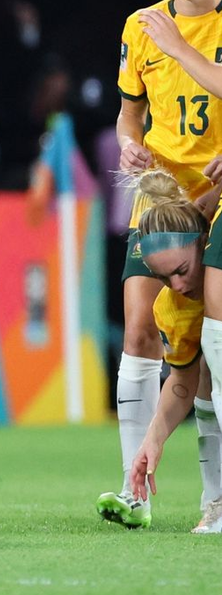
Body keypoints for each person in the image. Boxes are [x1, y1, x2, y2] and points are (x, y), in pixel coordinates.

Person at [97, 0, 222, 530]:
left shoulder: (183, 31)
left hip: (219, 192)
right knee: (142, 328)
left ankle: (215, 498)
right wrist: (128, 143)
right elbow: (130, 113)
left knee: (212, 336)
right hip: (162, 198)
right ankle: (135, 487)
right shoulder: (140, 25)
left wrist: (177, 45)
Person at [123, 170, 221, 533]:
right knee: (205, 373)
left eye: (181, 270)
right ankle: (216, 503)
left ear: (205, 242)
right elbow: (181, 382)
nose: (177, 286)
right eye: (164, 278)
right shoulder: (171, 308)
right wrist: (153, 439)